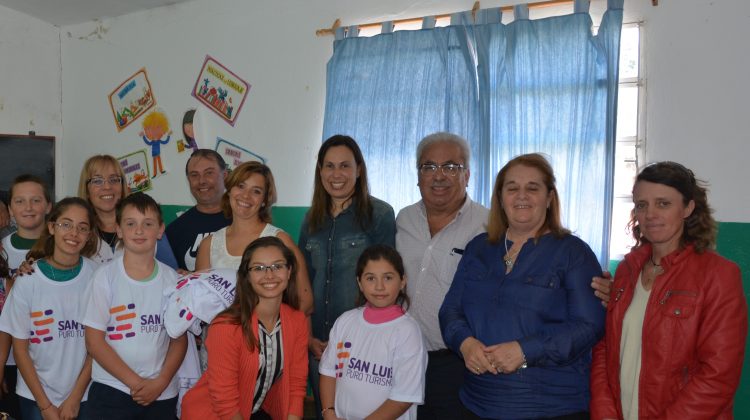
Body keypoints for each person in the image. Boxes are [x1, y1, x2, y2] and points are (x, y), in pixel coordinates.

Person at [439, 153, 605, 419]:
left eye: (533, 188)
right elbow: (450, 310)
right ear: (500, 198)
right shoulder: (479, 248)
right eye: (512, 188)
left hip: (550, 405)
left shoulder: (574, 253)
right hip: (476, 402)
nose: (521, 196)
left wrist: (526, 351)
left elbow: (589, 326)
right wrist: (465, 343)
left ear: (549, 198)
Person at [590, 162, 748, 420]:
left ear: (688, 208)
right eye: (642, 205)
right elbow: (605, 350)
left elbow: (718, 376)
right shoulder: (627, 271)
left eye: (663, 203)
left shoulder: (719, 275)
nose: (650, 214)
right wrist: (605, 413)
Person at [298, 135, 396, 418]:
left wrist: (352, 338)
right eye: (329, 166)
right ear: (320, 171)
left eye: (344, 166)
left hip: (363, 345)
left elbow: (385, 286)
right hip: (318, 344)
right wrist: (307, 336)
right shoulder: (311, 219)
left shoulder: (379, 214)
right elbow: (302, 284)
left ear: (359, 169)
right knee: (325, 412)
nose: (336, 174)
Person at [83, 192, 187, 419]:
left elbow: (179, 340)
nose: (139, 231)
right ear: (119, 229)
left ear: (160, 230)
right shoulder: (104, 277)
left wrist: (159, 383)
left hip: (161, 392)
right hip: (112, 389)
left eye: (147, 224)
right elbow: (94, 341)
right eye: (131, 224)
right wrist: (136, 383)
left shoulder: (173, 281)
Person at [181, 236, 309, 420]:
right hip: (211, 414)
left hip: (254, 411)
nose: (270, 275)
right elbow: (224, 399)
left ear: (289, 271)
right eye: (258, 268)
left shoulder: (296, 320)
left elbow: (296, 384)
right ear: (247, 276)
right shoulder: (225, 326)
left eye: (278, 266)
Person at [0, 197, 98, 420]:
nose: (74, 233)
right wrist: (44, 406)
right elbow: (20, 349)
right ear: (52, 227)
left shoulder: (97, 277)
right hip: (34, 396)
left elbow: (98, 346)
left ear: (89, 235)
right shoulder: (27, 279)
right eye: (66, 224)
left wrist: (74, 398)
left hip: (84, 394)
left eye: (82, 228)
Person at [319, 245, 427, 420]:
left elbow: (402, 398)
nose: (379, 286)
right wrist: (329, 412)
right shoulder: (345, 321)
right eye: (370, 278)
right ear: (360, 283)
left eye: (388, 278)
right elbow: (328, 371)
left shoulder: (408, 332)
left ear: (402, 281)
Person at [194, 160, 312, 314]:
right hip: (219, 336)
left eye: (256, 191)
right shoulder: (208, 245)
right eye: (241, 186)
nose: (246, 196)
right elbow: (199, 302)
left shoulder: (281, 241)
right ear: (229, 190)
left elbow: (305, 302)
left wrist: (265, 330)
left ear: (264, 200)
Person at [0, 174, 52, 419]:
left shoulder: (62, 248)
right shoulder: (2, 248)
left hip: (49, 360)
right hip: (8, 361)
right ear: (10, 209)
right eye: (19, 201)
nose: (28, 208)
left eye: (35, 200)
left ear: (49, 205)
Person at [78, 154, 178, 268]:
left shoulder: (148, 225)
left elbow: (171, 272)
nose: (107, 187)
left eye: (113, 179)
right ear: (86, 190)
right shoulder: (78, 231)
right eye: (97, 181)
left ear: (123, 186)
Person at [165, 149, 230, 272]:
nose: (202, 181)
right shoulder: (174, 231)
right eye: (194, 175)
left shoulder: (243, 221)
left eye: (209, 173)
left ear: (225, 176)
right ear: (188, 180)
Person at [139, 110, 172, 177]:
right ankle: (154, 173)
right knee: (154, 163)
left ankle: (161, 171)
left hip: (158, 153)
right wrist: (143, 136)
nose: (154, 132)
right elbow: (147, 142)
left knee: (159, 162)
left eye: (157, 127)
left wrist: (168, 135)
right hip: (154, 154)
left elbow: (165, 142)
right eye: (151, 129)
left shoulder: (159, 141)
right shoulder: (153, 142)